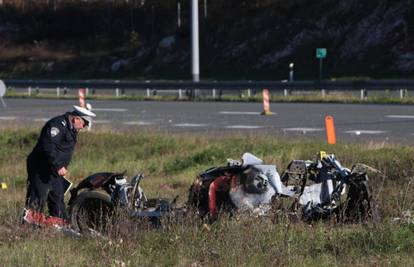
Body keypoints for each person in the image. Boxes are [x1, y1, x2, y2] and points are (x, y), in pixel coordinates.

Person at [23, 105, 96, 227]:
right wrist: (58, 166)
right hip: (41, 169)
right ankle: (28, 229)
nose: (84, 127)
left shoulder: (71, 129)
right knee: (37, 198)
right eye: (84, 123)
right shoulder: (57, 125)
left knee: (58, 199)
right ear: (76, 119)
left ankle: (58, 228)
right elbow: (48, 147)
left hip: (54, 171)